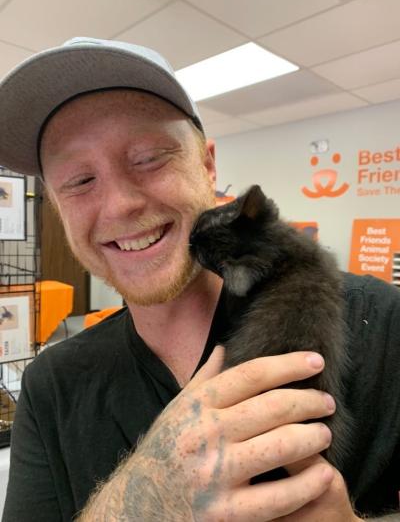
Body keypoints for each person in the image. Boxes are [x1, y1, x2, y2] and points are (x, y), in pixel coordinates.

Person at [0, 37, 399, 522]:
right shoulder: (51, 387)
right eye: (79, 181)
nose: (121, 204)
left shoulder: (381, 323)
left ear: (208, 166)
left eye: (148, 156)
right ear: (59, 210)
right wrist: (143, 503)